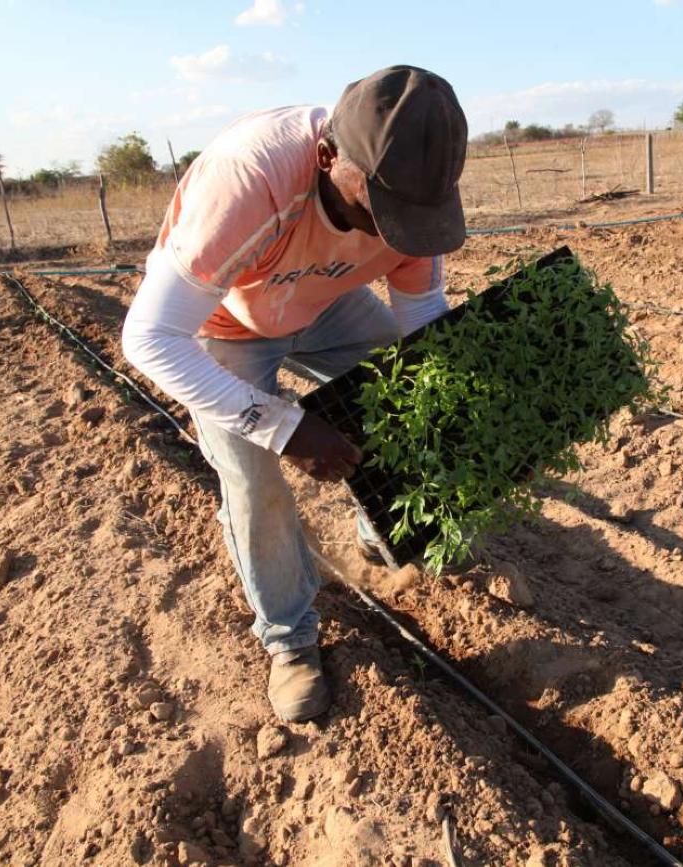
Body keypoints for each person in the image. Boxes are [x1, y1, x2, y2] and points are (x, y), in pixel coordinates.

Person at [121, 66, 468, 721]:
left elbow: (422, 321)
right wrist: (283, 427)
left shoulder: (415, 198)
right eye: (384, 208)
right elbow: (148, 338)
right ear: (330, 157)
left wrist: (451, 405)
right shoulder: (250, 181)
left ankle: (383, 524)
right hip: (230, 323)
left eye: (416, 214)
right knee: (254, 480)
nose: (400, 230)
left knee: (400, 378)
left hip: (325, 304)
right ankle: (289, 640)